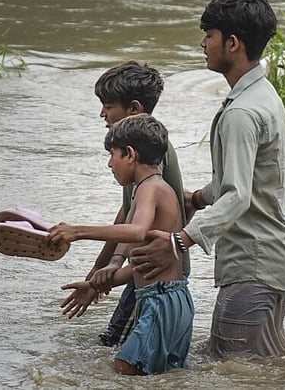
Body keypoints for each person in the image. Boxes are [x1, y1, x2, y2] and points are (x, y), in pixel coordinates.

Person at [129, 0, 285, 358]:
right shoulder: (263, 95)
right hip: (275, 258)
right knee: (267, 363)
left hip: (253, 263)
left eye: (209, 35)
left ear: (233, 43)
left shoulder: (242, 113)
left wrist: (181, 240)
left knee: (237, 367)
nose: (203, 43)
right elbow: (245, 180)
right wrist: (197, 199)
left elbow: (238, 195)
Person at [48, 114, 194, 375]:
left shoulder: (151, 188)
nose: (109, 164)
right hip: (171, 297)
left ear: (129, 154)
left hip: (160, 300)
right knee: (154, 376)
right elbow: (141, 265)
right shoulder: (148, 189)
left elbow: (136, 232)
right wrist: (95, 284)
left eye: (111, 155)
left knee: (125, 370)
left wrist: (77, 231)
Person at [59, 61, 190, 349]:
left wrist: (79, 233)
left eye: (108, 105)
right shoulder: (144, 153)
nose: (102, 114)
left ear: (133, 109)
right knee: (119, 346)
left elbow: (137, 227)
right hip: (145, 268)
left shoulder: (151, 155)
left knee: (120, 349)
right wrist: (101, 269)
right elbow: (128, 213)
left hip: (158, 271)